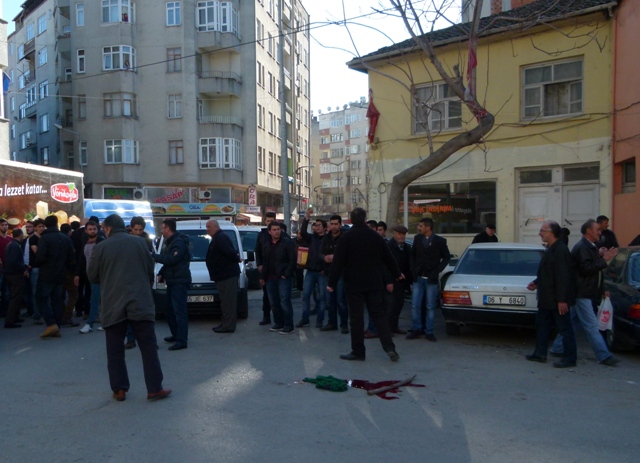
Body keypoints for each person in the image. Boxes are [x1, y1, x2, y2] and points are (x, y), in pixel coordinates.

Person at [87, 214, 171, 402]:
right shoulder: (139, 243)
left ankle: (119, 389)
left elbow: (92, 276)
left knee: (115, 349)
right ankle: (154, 388)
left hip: (113, 302)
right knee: (148, 347)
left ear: (108, 228)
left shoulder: (101, 247)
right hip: (139, 301)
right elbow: (150, 268)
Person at [328, 208, 402, 362]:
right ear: (365, 219)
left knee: (356, 319)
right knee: (379, 316)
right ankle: (390, 348)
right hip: (374, 283)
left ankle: (358, 352)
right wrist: (397, 273)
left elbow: (338, 262)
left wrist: (331, 282)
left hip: (354, 284)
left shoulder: (347, 237)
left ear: (351, 220)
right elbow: (388, 258)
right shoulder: (375, 236)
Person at [549, 219, 620, 366]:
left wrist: (599, 256)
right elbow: (586, 269)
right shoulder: (582, 247)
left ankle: (557, 347)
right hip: (582, 292)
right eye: (597, 230)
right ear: (589, 231)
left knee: (573, 322)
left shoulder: (589, 247)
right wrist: (604, 259)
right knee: (591, 325)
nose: (600, 232)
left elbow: (592, 268)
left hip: (583, 291)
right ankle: (603, 355)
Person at [526, 221, 577, 368]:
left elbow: (563, 277)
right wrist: (536, 282)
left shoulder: (560, 250)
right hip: (546, 298)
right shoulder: (551, 248)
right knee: (542, 325)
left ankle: (570, 358)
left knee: (564, 328)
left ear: (551, 233)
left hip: (556, 300)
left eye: (542, 231)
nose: (540, 233)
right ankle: (540, 353)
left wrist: (562, 300)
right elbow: (548, 272)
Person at [407, 217, 451, 341]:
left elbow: (446, 257)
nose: (418, 228)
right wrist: (413, 270)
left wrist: (437, 271)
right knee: (415, 305)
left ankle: (429, 331)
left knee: (430, 306)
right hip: (418, 277)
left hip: (431, 279)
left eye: (421, 226)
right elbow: (412, 255)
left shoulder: (439, 241)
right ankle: (416, 329)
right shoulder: (417, 239)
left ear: (428, 227)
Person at [33, 215, 76, 338]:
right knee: (57, 300)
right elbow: (71, 257)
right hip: (61, 274)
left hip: (47, 274)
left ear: (46, 225)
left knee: (41, 298)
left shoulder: (45, 238)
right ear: (57, 223)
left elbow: (40, 257)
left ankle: (51, 323)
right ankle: (57, 325)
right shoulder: (65, 238)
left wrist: (38, 262)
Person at [153, 219, 191, 351]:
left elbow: (173, 259)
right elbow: (168, 261)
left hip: (179, 281)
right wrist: (162, 273)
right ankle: (176, 335)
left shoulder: (178, 243)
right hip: (173, 280)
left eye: (162, 228)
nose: (161, 231)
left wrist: (154, 256)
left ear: (168, 229)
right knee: (169, 310)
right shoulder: (170, 242)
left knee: (179, 311)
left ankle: (182, 340)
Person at [260, 221, 297, 335]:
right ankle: (278, 323)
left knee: (284, 301)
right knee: (274, 302)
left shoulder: (287, 243)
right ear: (269, 232)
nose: (276, 232)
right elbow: (265, 262)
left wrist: (286, 274)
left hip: (283, 277)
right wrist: (263, 276)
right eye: (274, 230)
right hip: (270, 278)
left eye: (278, 229)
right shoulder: (267, 244)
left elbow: (293, 260)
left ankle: (289, 325)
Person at [205, 219, 241, 333]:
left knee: (228, 302)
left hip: (227, 275)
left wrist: (237, 258)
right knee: (225, 302)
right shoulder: (218, 238)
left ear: (216, 227)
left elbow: (230, 252)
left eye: (209, 227)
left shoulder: (221, 238)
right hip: (222, 275)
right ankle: (225, 323)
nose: (207, 229)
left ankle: (228, 325)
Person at [125, 216, 154, 349]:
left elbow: (150, 260)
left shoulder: (146, 240)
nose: (138, 232)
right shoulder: (125, 239)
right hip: (128, 279)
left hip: (142, 279)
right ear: (131, 228)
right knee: (129, 311)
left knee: (144, 312)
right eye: (135, 230)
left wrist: (150, 278)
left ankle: (148, 340)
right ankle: (131, 338)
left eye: (140, 230)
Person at [297, 209, 327, 328]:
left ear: (324, 228)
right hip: (310, 271)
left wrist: (325, 268)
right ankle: (305, 319)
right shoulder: (311, 238)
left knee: (321, 297)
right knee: (306, 296)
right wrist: (306, 218)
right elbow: (303, 232)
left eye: (319, 225)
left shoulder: (327, 239)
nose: (316, 227)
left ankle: (320, 319)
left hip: (322, 272)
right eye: (315, 225)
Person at [320, 215, 349, 334]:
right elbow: (320, 253)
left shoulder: (345, 238)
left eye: (336, 224)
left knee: (341, 301)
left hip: (340, 274)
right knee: (329, 301)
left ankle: (344, 324)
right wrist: (324, 258)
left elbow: (349, 254)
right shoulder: (326, 238)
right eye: (331, 224)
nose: (333, 226)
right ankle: (332, 323)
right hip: (328, 273)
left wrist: (336, 257)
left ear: (340, 225)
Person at [76, 221, 104, 334]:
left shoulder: (101, 241)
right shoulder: (85, 242)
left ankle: (90, 323)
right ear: (86, 230)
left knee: (95, 299)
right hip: (89, 275)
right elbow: (82, 259)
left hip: (99, 275)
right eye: (90, 229)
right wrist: (78, 274)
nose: (92, 231)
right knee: (96, 299)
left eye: (94, 229)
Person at [386, 225, 413, 334]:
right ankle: (388, 329)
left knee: (399, 304)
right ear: (394, 234)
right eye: (399, 234)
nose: (401, 236)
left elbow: (408, 264)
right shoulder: (388, 246)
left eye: (403, 234)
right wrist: (388, 281)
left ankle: (394, 326)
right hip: (391, 281)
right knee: (390, 306)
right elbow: (385, 265)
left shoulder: (406, 247)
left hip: (402, 281)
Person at [254, 212, 277, 326]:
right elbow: (257, 250)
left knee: (279, 295)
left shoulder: (280, 233)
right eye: (268, 221)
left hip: (278, 269)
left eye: (271, 221)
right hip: (265, 269)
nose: (269, 223)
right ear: (265, 221)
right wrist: (259, 264)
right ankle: (266, 316)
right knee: (266, 294)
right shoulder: (262, 235)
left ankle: (279, 318)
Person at [3, 229, 28, 328]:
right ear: (20, 235)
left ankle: (15, 316)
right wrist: (23, 267)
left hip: (10, 274)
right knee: (15, 297)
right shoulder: (15, 246)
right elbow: (14, 261)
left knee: (15, 296)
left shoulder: (11, 244)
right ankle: (10, 320)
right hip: (15, 275)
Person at [28, 219, 46, 324]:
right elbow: (36, 252)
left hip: (44, 268)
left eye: (43, 226)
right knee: (35, 292)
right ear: (35, 228)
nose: (42, 228)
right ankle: (37, 315)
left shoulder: (45, 237)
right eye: (39, 226)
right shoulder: (33, 239)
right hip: (36, 267)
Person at [0, 218, 12, 318]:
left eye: (6, 225)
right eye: (2, 225)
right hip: (0, 268)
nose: (4, 227)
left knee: (6, 292)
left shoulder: (10, 239)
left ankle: (5, 312)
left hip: (8, 269)